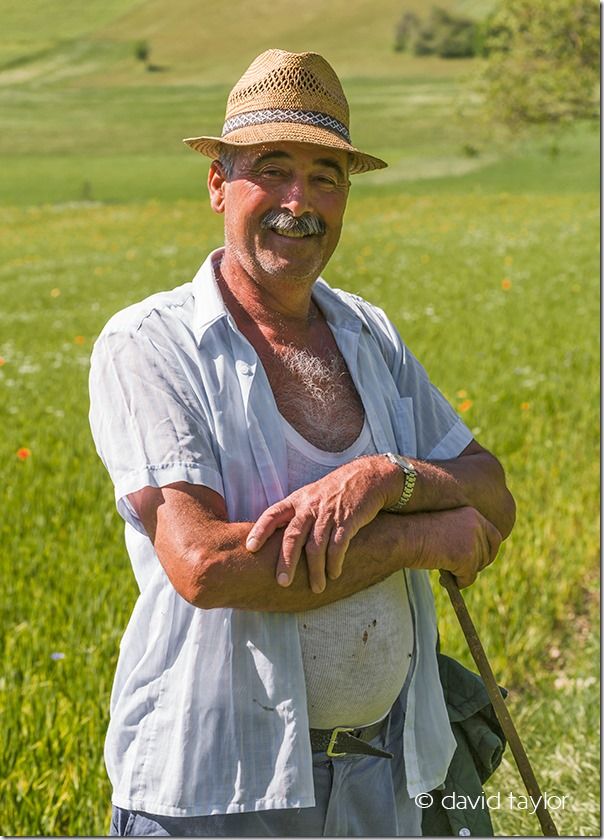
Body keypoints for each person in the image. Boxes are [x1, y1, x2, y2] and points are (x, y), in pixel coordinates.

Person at [89, 49, 515, 837]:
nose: (299, 201)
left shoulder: (366, 332)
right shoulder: (151, 344)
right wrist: (422, 537)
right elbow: (208, 566)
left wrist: (386, 478)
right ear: (218, 180)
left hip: (384, 771)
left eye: (326, 175)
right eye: (273, 168)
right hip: (217, 786)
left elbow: (490, 493)